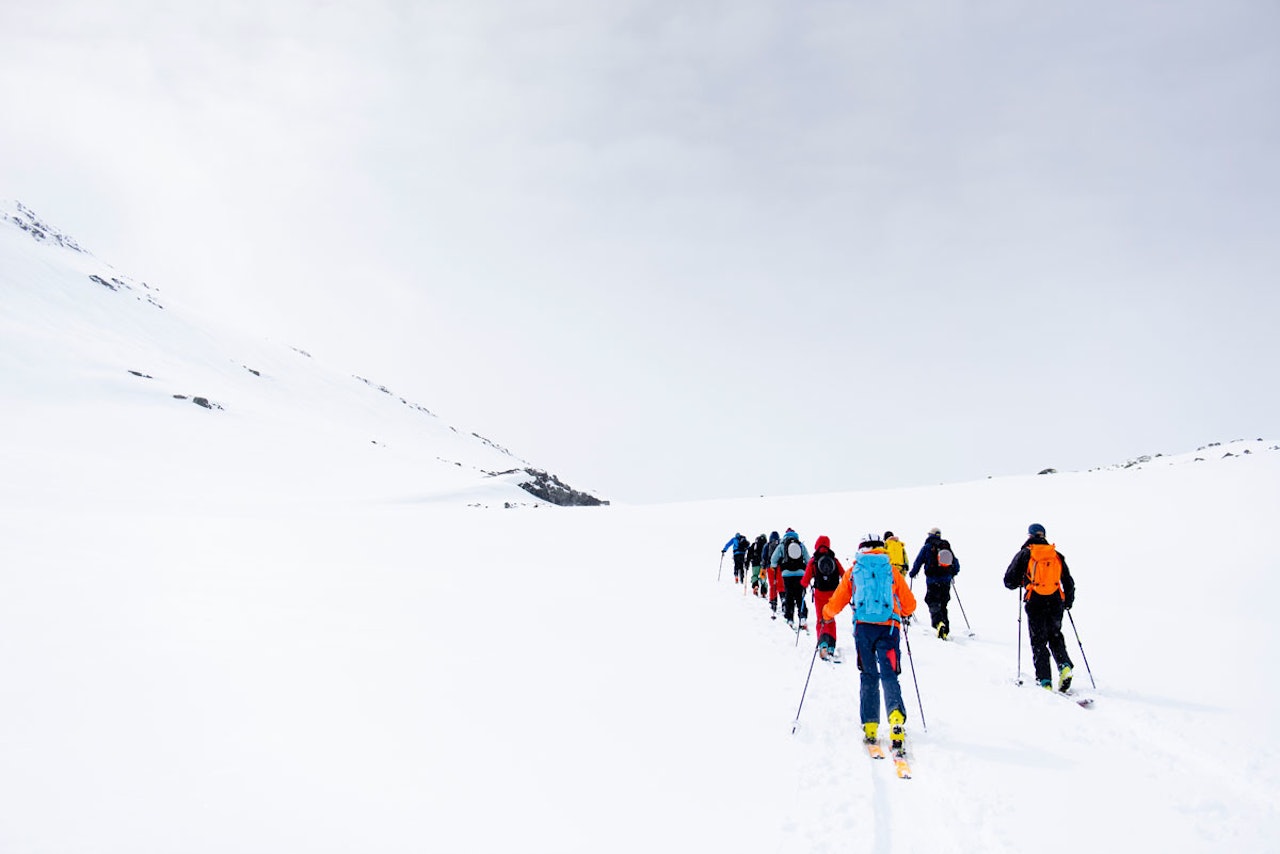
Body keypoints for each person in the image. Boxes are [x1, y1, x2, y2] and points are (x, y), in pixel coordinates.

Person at [823, 536, 917, 752]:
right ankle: (895, 719)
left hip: (863, 630)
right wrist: (900, 611)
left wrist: (826, 615)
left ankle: (871, 726)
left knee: (868, 675)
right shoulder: (891, 570)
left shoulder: (854, 571)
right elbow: (910, 605)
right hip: (889, 629)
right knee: (889, 674)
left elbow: (838, 600)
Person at [1003, 523, 1077, 691]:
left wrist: (1022, 582)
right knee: (1055, 635)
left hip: (1035, 601)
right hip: (1056, 601)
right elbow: (1068, 581)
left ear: (1029, 536)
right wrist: (1068, 602)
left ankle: (1045, 681)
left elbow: (1009, 581)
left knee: (1038, 641)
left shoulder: (1025, 554)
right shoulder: (1055, 554)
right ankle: (1064, 665)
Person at [909, 527, 960, 639]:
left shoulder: (927, 547)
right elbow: (956, 564)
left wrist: (913, 573)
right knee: (943, 604)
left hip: (933, 581)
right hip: (946, 582)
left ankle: (938, 623)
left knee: (932, 601)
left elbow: (918, 561)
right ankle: (945, 628)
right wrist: (951, 574)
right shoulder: (946, 546)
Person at [803, 535, 845, 659]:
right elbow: (844, 575)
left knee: (820, 618)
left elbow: (806, 579)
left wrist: (803, 586)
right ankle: (831, 645)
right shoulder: (834, 559)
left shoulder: (814, 560)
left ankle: (823, 643)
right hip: (833, 594)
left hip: (819, 593)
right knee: (830, 618)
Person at [773, 528, 810, 629]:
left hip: (787, 574)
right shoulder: (801, 545)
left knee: (789, 596)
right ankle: (802, 617)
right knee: (800, 596)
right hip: (800, 574)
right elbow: (808, 560)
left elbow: (773, 559)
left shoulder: (782, 545)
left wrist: (775, 566)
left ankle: (790, 618)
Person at [764, 531, 782, 618]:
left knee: (772, 585)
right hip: (779, 567)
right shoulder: (780, 544)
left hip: (770, 567)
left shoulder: (767, 545)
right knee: (780, 584)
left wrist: (763, 567)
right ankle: (783, 600)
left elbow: (764, 556)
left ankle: (773, 601)